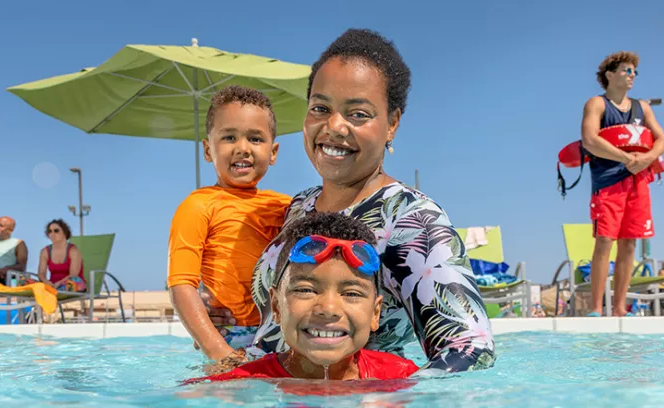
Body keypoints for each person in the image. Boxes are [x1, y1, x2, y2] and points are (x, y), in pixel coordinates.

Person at [204, 29, 495, 374]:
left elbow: (472, 350)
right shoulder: (300, 206)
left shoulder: (411, 220)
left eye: (358, 114)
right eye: (320, 108)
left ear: (392, 124)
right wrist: (227, 323)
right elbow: (277, 331)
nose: (334, 126)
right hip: (269, 397)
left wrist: (377, 406)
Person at [183, 212, 419, 382]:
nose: (328, 308)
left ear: (375, 313)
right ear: (275, 305)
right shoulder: (239, 385)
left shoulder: (402, 377)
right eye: (306, 290)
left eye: (351, 293)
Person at [167, 85, 291, 362]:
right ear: (208, 149)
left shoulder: (288, 207)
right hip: (229, 336)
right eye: (229, 137)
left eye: (256, 139)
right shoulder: (198, 206)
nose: (243, 148)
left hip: (283, 333)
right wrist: (216, 350)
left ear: (273, 151)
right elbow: (180, 285)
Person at [581, 52, 664, 317]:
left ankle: (619, 308)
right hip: (608, 182)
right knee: (604, 240)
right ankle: (596, 309)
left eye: (634, 72)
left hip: (638, 181)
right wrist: (626, 157)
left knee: (630, 243)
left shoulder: (643, 108)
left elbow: (661, 139)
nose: (631, 76)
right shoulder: (597, 104)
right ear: (609, 74)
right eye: (626, 71)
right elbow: (589, 140)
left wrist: (648, 157)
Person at [37, 219, 86, 292]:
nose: (52, 234)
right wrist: (46, 282)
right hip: (53, 285)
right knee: (27, 282)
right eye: (50, 231)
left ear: (65, 233)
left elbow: (73, 274)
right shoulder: (45, 251)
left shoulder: (73, 250)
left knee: (72, 281)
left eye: (56, 231)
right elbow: (41, 273)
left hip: (72, 284)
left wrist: (59, 283)